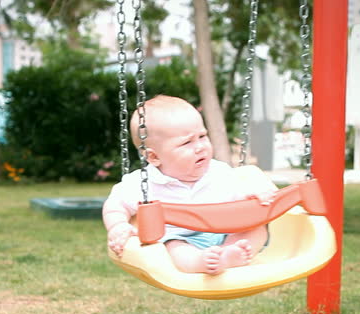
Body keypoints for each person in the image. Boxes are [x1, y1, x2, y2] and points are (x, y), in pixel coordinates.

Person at [102, 95, 275, 275]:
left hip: (225, 232)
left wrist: (257, 195)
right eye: (187, 142)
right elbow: (115, 204)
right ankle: (200, 262)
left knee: (255, 229)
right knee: (174, 247)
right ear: (153, 157)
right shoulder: (142, 182)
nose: (200, 146)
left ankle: (230, 255)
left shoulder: (219, 172)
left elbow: (242, 195)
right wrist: (118, 226)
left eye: (202, 136)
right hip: (182, 239)